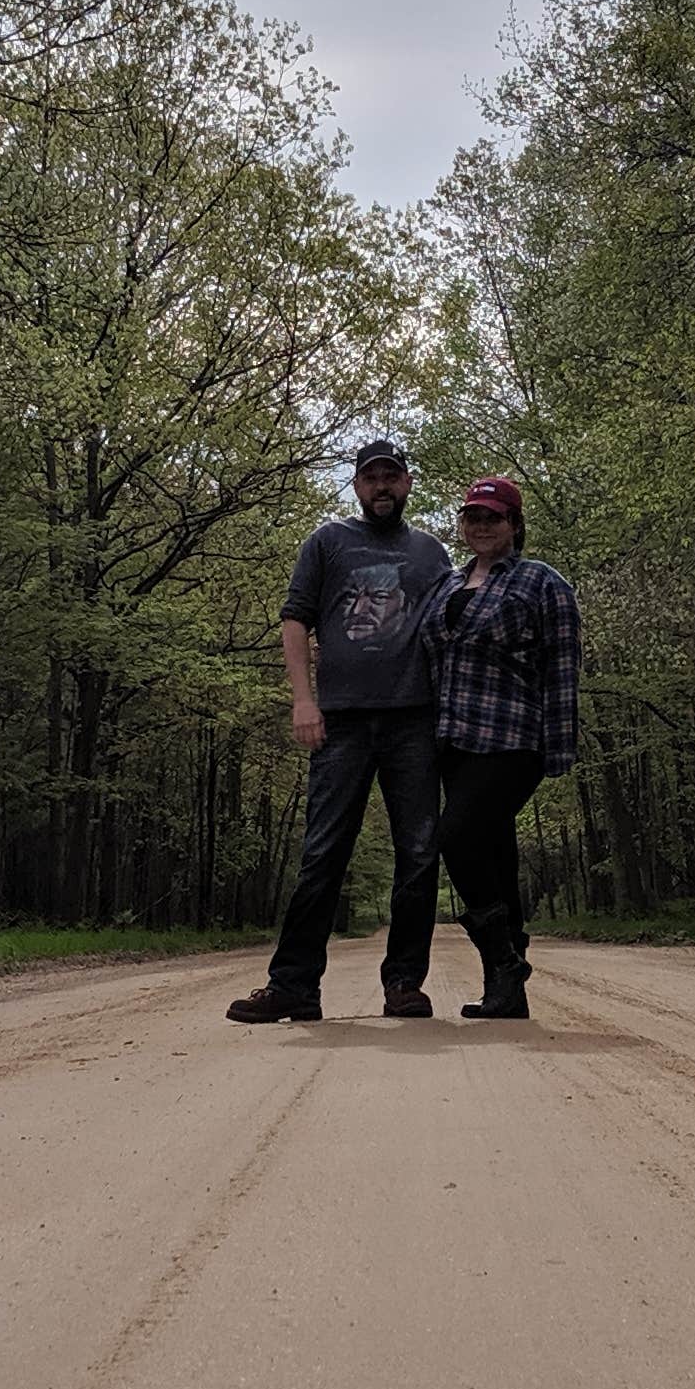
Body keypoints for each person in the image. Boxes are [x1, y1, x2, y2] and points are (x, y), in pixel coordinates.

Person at [228, 438, 451, 1022]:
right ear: (356, 486)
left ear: (406, 484)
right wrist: (304, 701)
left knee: (420, 855)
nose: (382, 486)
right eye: (371, 478)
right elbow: (295, 619)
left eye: (392, 477)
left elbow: (457, 631)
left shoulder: (432, 554)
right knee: (323, 852)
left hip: (414, 722)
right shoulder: (327, 542)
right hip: (342, 721)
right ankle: (295, 986)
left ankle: (404, 983)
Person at [428, 474, 580, 1020]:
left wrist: (558, 748)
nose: (482, 525)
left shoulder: (543, 582)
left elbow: (564, 666)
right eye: (473, 517)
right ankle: (507, 988)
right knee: (494, 854)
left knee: (456, 835)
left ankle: (502, 959)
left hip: (513, 738)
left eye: (494, 517)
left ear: (515, 524)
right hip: (452, 740)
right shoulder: (447, 584)